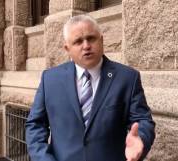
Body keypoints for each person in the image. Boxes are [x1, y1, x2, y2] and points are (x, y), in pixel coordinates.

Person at [26, 15, 155, 161]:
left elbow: (143, 120)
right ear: (67, 48)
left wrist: (141, 140)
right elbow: (35, 124)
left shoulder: (127, 78)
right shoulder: (50, 79)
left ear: (101, 40)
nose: (86, 45)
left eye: (91, 38)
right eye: (78, 41)